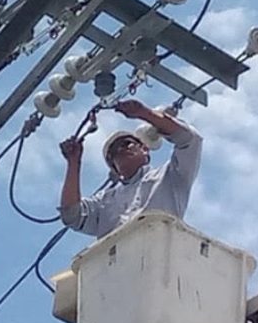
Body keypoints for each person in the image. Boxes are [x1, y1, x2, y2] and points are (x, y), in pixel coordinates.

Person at [58, 99, 201, 238]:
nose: (120, 149)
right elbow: (72, 215)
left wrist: (144, 113)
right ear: (114, 169)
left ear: (145, 149)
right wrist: (73, 162)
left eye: (127, 143)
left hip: (159, 256)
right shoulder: (104, 201)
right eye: (113, 153)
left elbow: (190, 140)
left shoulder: (170, 177)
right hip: (118, 261)